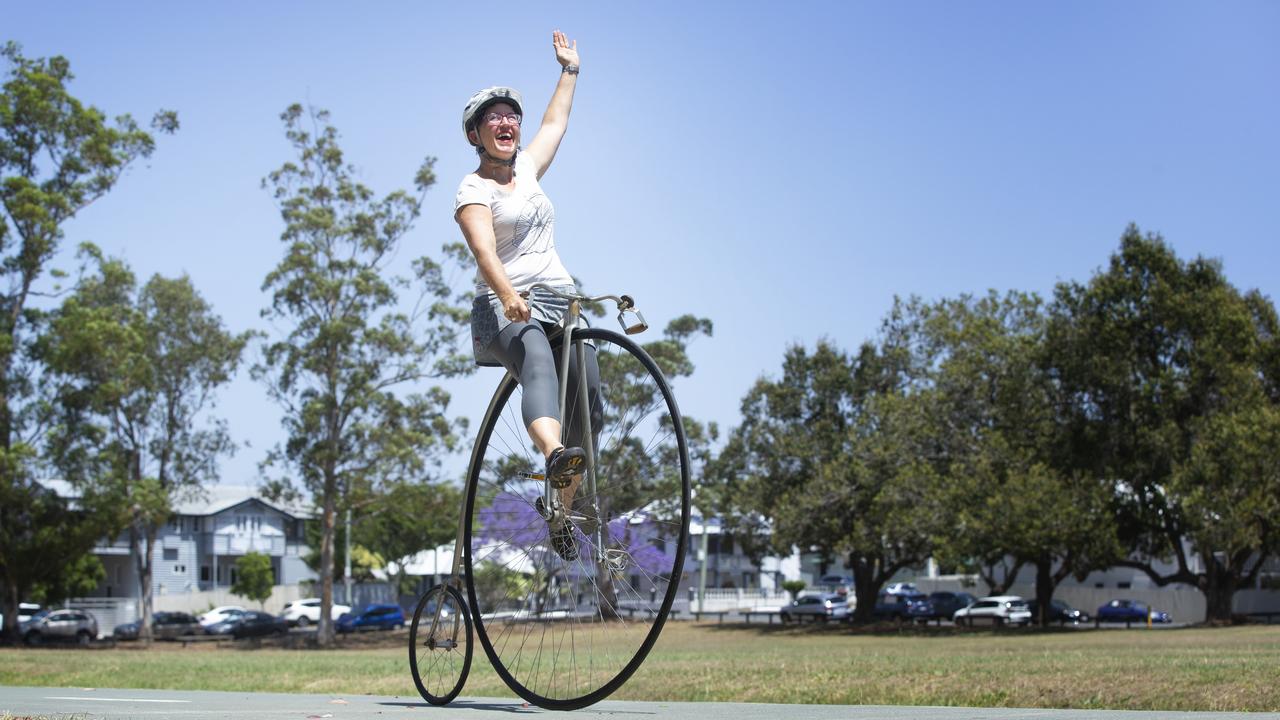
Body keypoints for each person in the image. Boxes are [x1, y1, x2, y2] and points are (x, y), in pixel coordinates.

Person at [455, 30, 599, 561]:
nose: (505, 123)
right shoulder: (474, 190)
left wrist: (570, 69)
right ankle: (554, 452)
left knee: (590, 403)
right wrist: (509, 294)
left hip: (563, 301)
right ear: (475, 134)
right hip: (506, 306)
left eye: (510, 116)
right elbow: (484, 251)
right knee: (536, 361)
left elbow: (555, 122)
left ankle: (560, 509)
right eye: (492, 118)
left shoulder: (530, 171)